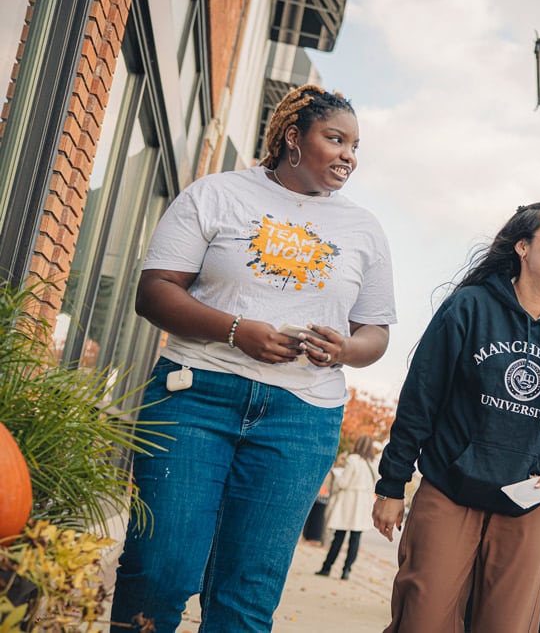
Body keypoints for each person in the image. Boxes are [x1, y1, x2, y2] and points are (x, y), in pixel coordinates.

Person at [110, 84, 396, 632]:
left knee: (247, 597)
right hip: (195, 398)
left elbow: (374, 334)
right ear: (293, 137)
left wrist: (345, 349)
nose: (348, 156)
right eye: (335, 139)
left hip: (301, 418)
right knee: (160, 571)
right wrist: (237, 330)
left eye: (355, 146)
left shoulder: (364, 229)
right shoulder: (216, 195)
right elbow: (155, 291)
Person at [372, 202, 540, 633]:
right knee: (422, 620)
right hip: (450, 488)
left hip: (526, 500)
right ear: (522, 245)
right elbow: (421, 398)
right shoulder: (470, 307)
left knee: (507, 626)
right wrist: (392, 484)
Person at [315, 434, 378, 580]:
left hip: (348, 502)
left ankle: (327, 567)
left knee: (339, 537)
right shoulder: (372, 463)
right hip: (363, 503)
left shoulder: (352, 459)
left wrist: (336, 479)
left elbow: (343, 483)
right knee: (355, 538)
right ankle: (346, 570)